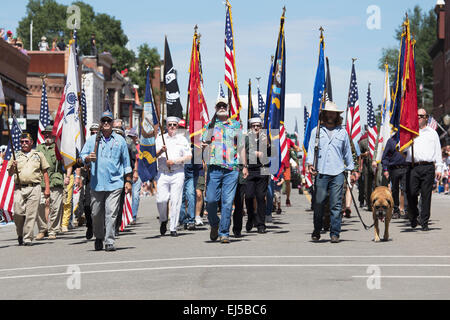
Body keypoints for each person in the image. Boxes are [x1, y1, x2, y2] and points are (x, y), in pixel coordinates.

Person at [80, 111, 132, 251]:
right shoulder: (93, 140)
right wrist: (87, 158)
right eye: (104, 121)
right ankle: (99, 236)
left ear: (112, 122)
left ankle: (109, 241)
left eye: (109, 121)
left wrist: (128, 181)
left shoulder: (120, 140)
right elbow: (82, 155)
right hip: (97, 184)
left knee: (111, 212)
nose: (106, 123)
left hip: (115, 183)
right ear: (101, 123)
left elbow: (126, 162)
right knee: (95, 213)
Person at [306, 101, 355, 243]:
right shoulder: (317, 131)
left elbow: (347, 153)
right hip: (321, 171)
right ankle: (317, 229)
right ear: (324, 114)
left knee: (336, 205)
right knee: (319, 203)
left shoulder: (343, 132)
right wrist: (310, 164)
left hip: (338, 172)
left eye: (333, 113)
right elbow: (311, 149)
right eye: (328, 112)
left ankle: (335, 233)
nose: (330, 115)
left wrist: (351, 170)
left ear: (337, 115)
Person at [202, 97, 246, 243]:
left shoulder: (236, 125)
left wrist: (244, 165)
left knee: (227, 202)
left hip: (231, 169)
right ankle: (214, 224)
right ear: (215, 108)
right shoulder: (210, 124)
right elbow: (204, 142)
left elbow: (241, 147)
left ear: (228, 107)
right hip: (214, 168)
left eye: (224, 105)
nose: (222, 107)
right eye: (219, 105)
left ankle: (224, 232)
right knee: (211, 200)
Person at [7, 133, 50, 246]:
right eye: (22, 142)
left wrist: (47, 189)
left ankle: (28, 238)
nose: (24, 144)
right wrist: (13, 166)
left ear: (31, 142)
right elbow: (10, 174)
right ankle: (20, 234)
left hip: (34, 187)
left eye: (26, 141)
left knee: (31, 214)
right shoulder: (16, 155)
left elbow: (45, 172)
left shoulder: (38, 155)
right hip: (19, 188)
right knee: (17, 213)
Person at [405, 109, 444, 231]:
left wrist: (439, 168)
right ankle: (413, 216)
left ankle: (424, 221)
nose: (418, 118)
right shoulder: (410, 132)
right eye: (416, 116)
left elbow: (438, 151)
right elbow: (403, 149)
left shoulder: (432, 133)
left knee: (426, 196)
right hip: (413, 167)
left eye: (421, 116)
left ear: (426, 118)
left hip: (428, 167)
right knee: (411, 193)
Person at [155, 116, 191, 237]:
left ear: (177, 126)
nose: (171, 127)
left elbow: (188, 156)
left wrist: (175, 161)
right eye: (169, 125)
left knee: (176, 201)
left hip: (177, 172)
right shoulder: (160, 139)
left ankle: (173, 227)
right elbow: (152, 156)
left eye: (174, 125)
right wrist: (161, 151)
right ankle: (164, 219)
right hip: (163, 172)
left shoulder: (182, 139)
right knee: (161, 200)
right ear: (166, 126)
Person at [242, 116, 271, 234]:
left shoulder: (265, 137)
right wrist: (254, 154)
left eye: (258, 125)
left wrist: (268, 145)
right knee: (248, 196)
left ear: (261, 126)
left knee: (260, 197)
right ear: (250, 127)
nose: (256, 128)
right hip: (249, 169)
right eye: (253, 126)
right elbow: (242, 152)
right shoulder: (246, 138)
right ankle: (250, 217)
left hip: (262, 169)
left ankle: (261, 224)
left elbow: (271, 154)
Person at [35, 126, 65, 240]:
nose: (47, 136)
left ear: (54, 135)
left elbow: (65, 162)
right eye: (45, 134)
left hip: (55, 179)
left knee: (56, 207)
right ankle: (42, 229)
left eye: (49, 134)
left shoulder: (59, 147)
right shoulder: (39, 148)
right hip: (41, 180)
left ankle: (53, 230)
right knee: (40, 205)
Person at [381, 136, 409, 219]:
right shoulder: (391, 141)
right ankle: (396, 210)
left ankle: (407, 210)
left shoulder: (408, 138)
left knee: (406, 189)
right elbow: (385, 156)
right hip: (394, 169)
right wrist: (385, 169)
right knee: (395, 190)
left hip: (406, 168)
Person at [126, 128, 141, 224]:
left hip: (137, 173)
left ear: (136, 137)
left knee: (135, 195)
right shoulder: (126, 145)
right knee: (127, 195)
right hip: (127, 173)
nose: (131, 139)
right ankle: (126, 216)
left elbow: (137, 160)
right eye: (129, 137)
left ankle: (133, 216)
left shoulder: (139, 147)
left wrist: (136, 172)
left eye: (132, 137)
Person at [358, 128, 375, 211]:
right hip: (366, 165)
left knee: (377, 184)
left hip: (376, 165)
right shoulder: (363, 141)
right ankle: (368, 204)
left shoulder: (377, 139)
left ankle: (377, 203)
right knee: (367, 186)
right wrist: (364, 154)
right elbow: (358, 154)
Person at [283, 137, 301, 207]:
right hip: (277, 165)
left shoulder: (288, 140)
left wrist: (296, 149)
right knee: (274, 183)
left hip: (286, 165)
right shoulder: (276, 139)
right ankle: (274, 202)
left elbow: (297, 148)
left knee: (287, 181)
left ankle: (287, 198)